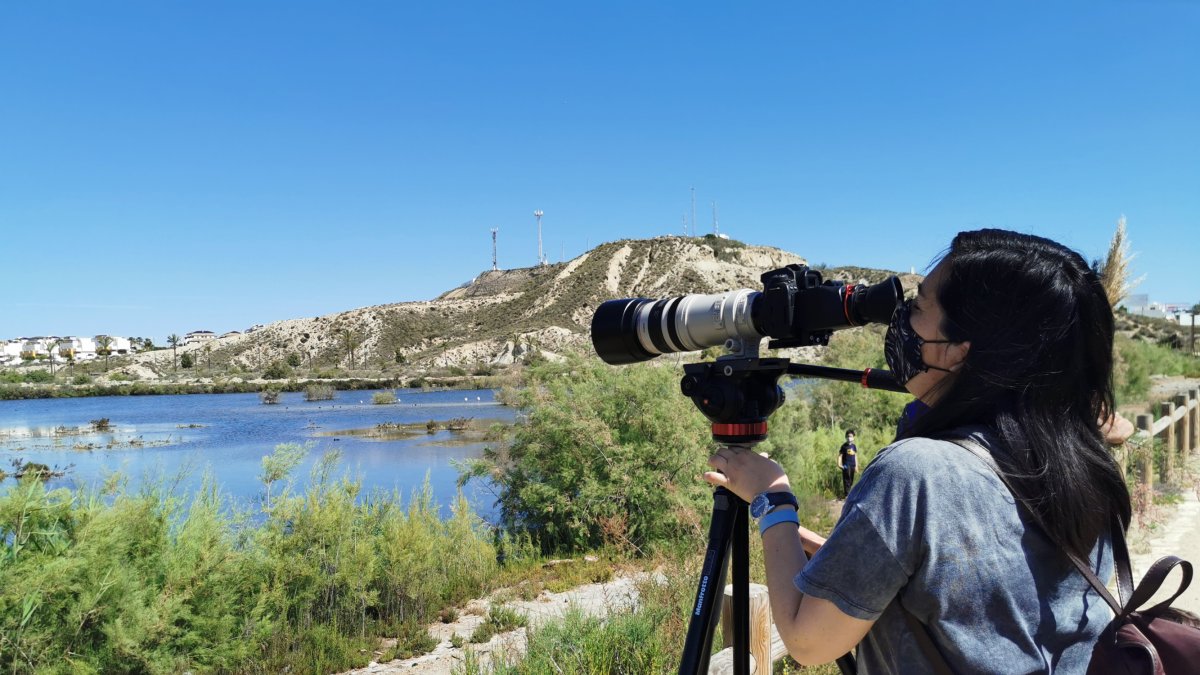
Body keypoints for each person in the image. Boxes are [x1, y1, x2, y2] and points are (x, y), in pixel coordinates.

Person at [704, 229, 1130, 673]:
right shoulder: (1085, 463)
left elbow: (807, 642)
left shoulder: (917, 474)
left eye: (920, 305)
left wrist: (772, 498)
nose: (901, 317)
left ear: (960, 353)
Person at [837, 429, 858, 498]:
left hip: (852, 465)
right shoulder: (844, 446)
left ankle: (849, 493)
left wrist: (856, 466)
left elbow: (855, 456)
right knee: (847, 480)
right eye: (848, 436)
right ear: (846, 437)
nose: (849, 438)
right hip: (846, 465)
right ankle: (847, 495)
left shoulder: (854, 446)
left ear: (853, 437)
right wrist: (839, 464)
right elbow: (840, 455)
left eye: (851, 436)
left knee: (851, 480)